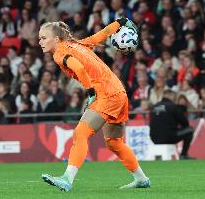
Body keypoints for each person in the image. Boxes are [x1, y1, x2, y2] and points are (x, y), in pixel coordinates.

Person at [38, 18, 150, 191]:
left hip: (107, 95)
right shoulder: (79, 44)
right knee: (114, 142)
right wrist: (120, 22)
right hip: (119, 92)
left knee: (80, 134)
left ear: (56, 39)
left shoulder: (59, 53)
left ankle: (67, 178)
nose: (40, 42)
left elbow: (79, 69)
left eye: (44, 38)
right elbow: (103, 34)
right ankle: (141, 179)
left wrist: (90, 93)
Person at [149, 89, 194, 159]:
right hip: (168, 137)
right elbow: (185, 122)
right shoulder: (172, 106)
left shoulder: (154, 107)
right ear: (171, 96)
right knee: (189, 130)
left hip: (154, 138)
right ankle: (184, 154)